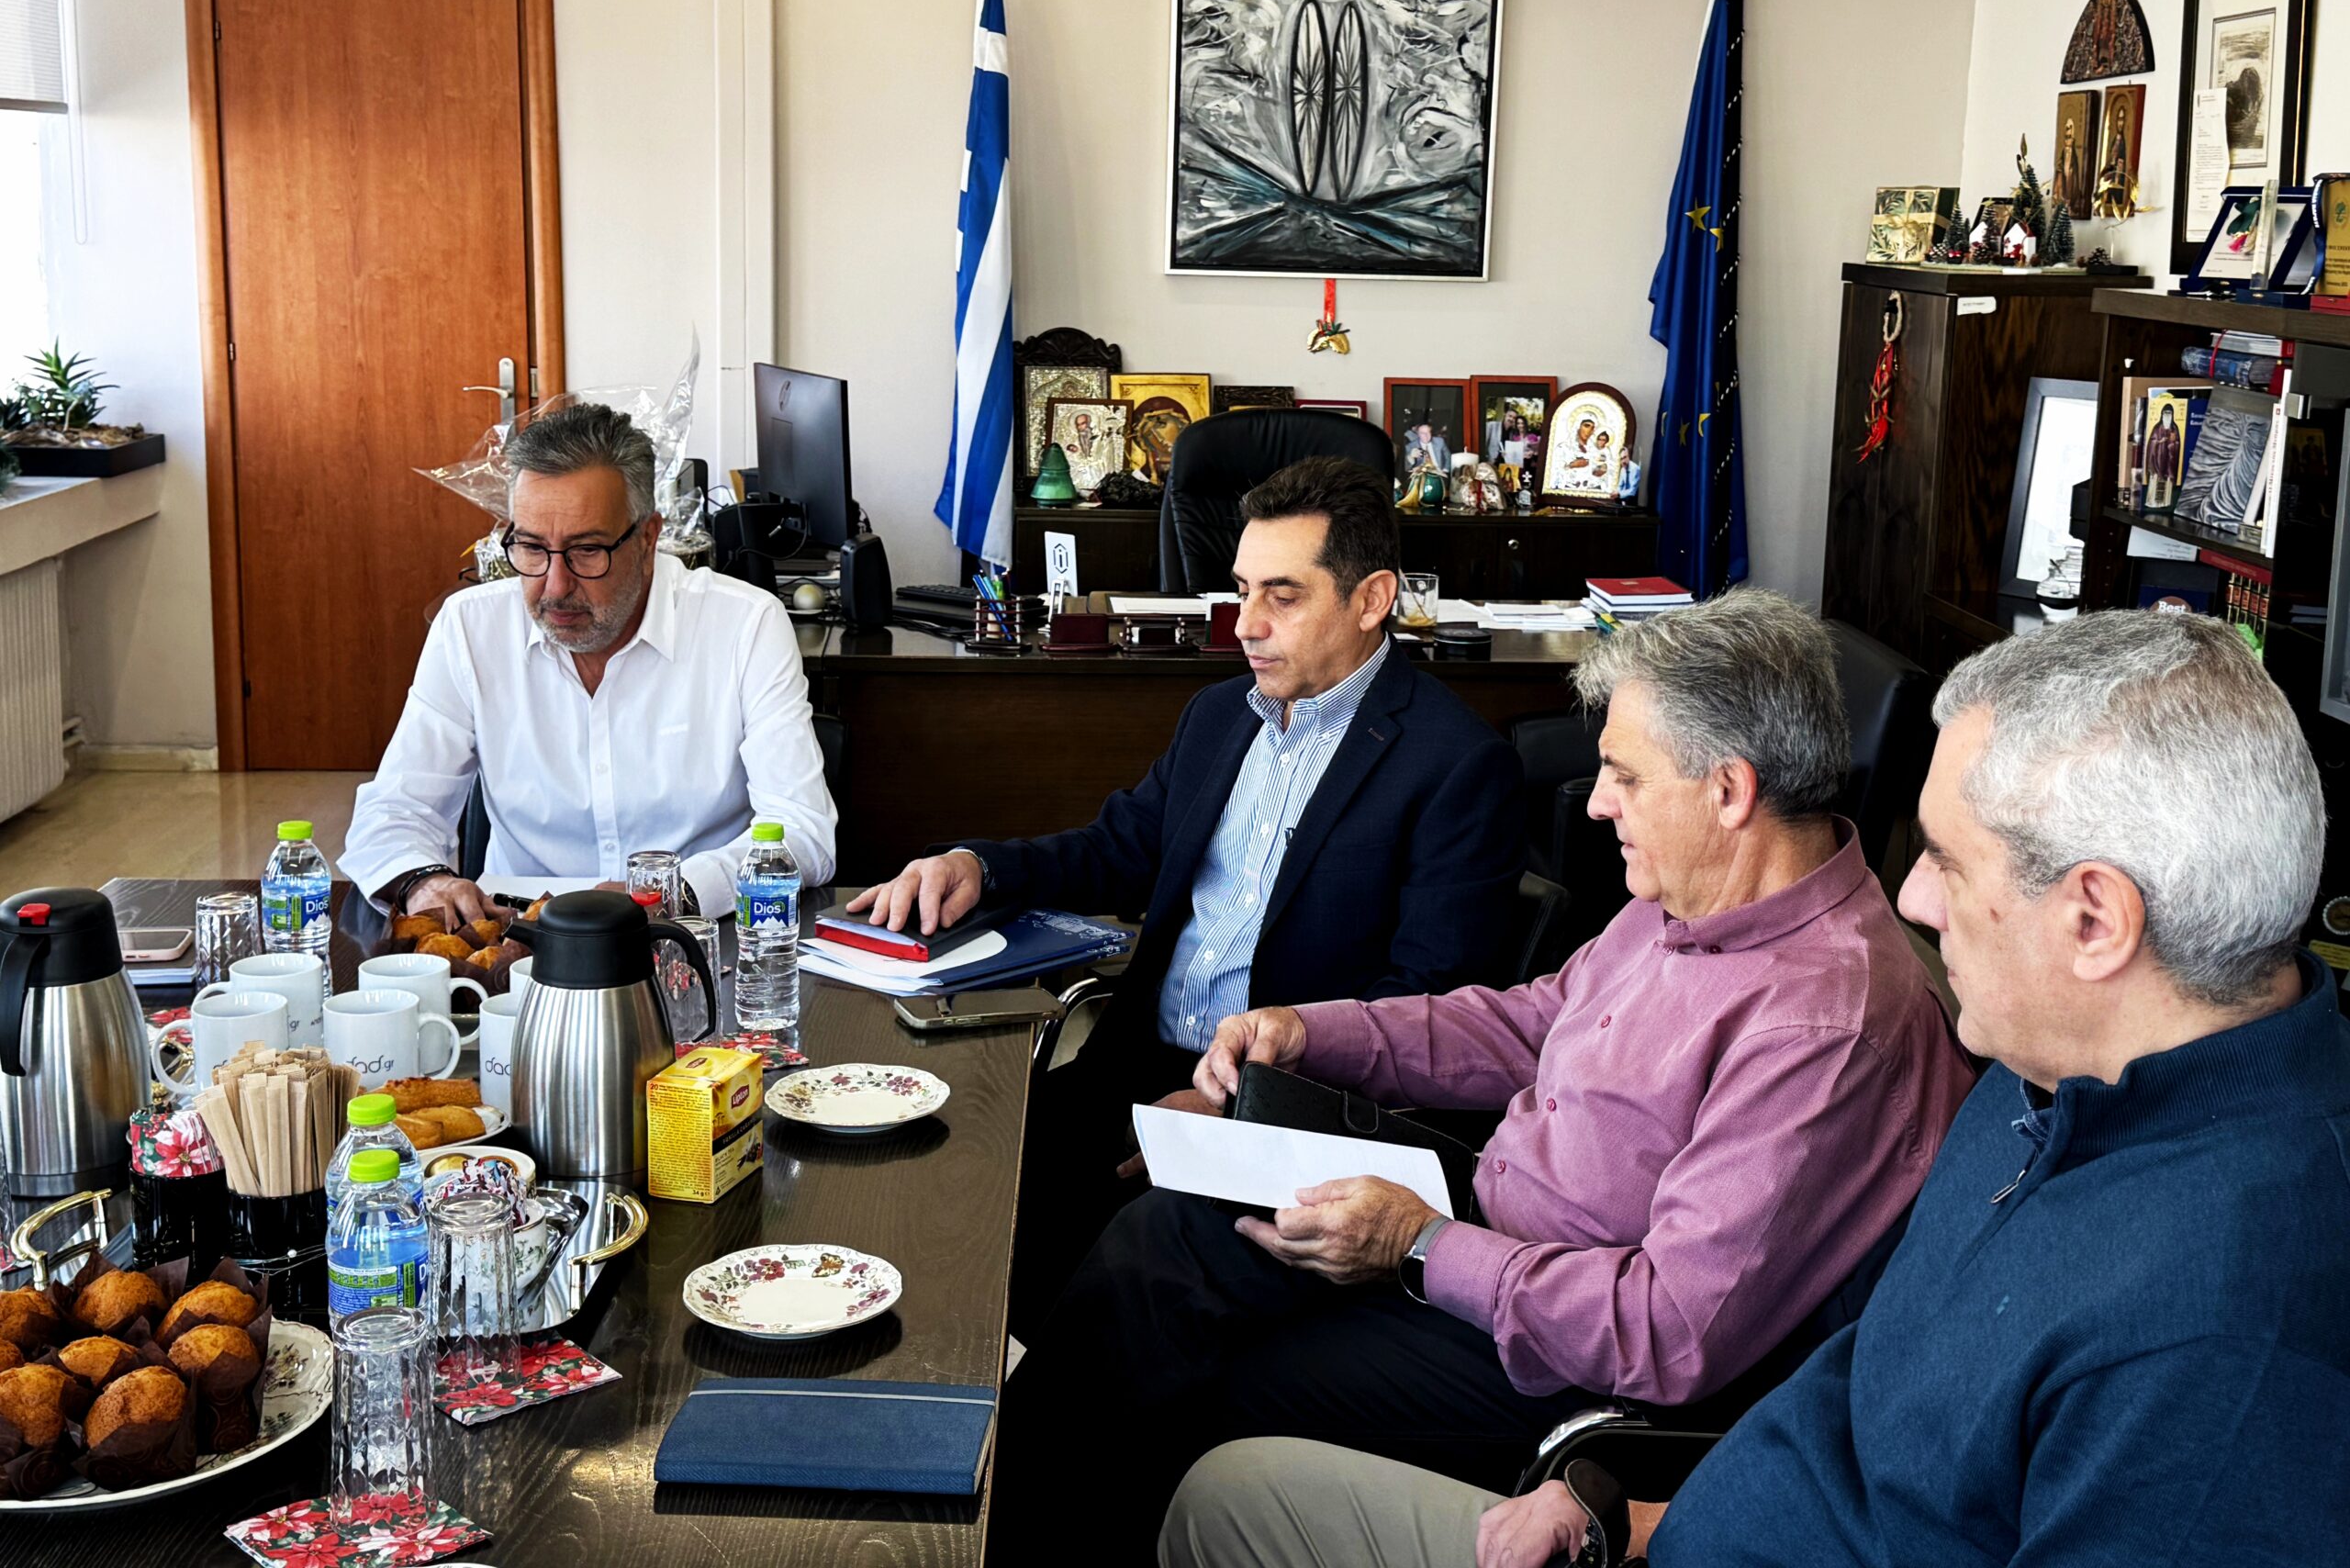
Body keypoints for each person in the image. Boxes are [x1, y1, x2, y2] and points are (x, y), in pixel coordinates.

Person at [1163, 610, 2349, 1568]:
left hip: (1596, 1398)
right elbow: (1867, 1383)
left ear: (2094, 919)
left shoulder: (2222, 1333)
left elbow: (1686, 1337)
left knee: (1212, 1444)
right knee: (1207, 1423)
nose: (1912, 903)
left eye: (1944, 863)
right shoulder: (2043, 1083)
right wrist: (1630, 1506)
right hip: (1657, 1511)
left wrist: (1428, 1253)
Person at [986, 589, 1973, 1562]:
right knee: (1167, 1237)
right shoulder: (1693, 893)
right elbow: (1533, 1023)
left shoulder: (1823, 1025)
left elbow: (1664, 1331)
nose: (1597, 803)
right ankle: (985, 1515)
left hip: (1564, 1365)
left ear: (1728, 792)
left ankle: (1019, 1531)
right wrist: (1312, 1031)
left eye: (1625, 777)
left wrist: (1419, 1245)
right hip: (1485, 1232)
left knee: (1195, 1377)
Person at [849, 456, 1524, 1326]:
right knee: (944, 1166)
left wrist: (1229, 1107)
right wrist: (979, 865)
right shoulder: (1219, 715)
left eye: (1283, 596)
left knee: (1088, 1272)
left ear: (1371, 599)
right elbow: (1120, 850)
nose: (1247, 624)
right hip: (1136, 1062)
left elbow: (1424, 1003)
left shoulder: (1457, 764)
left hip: (1288, 1108)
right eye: (1240, 590)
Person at [341, 402, 836, 925]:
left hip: (689, 937)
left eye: (587, 551)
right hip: (521, 939)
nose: (555, 587)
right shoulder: (470, 627)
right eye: (532, 548)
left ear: (647, 539)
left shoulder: (744, 624)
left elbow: (802, 830)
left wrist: (670, 893)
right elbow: (395, 810)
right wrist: (423, 881)